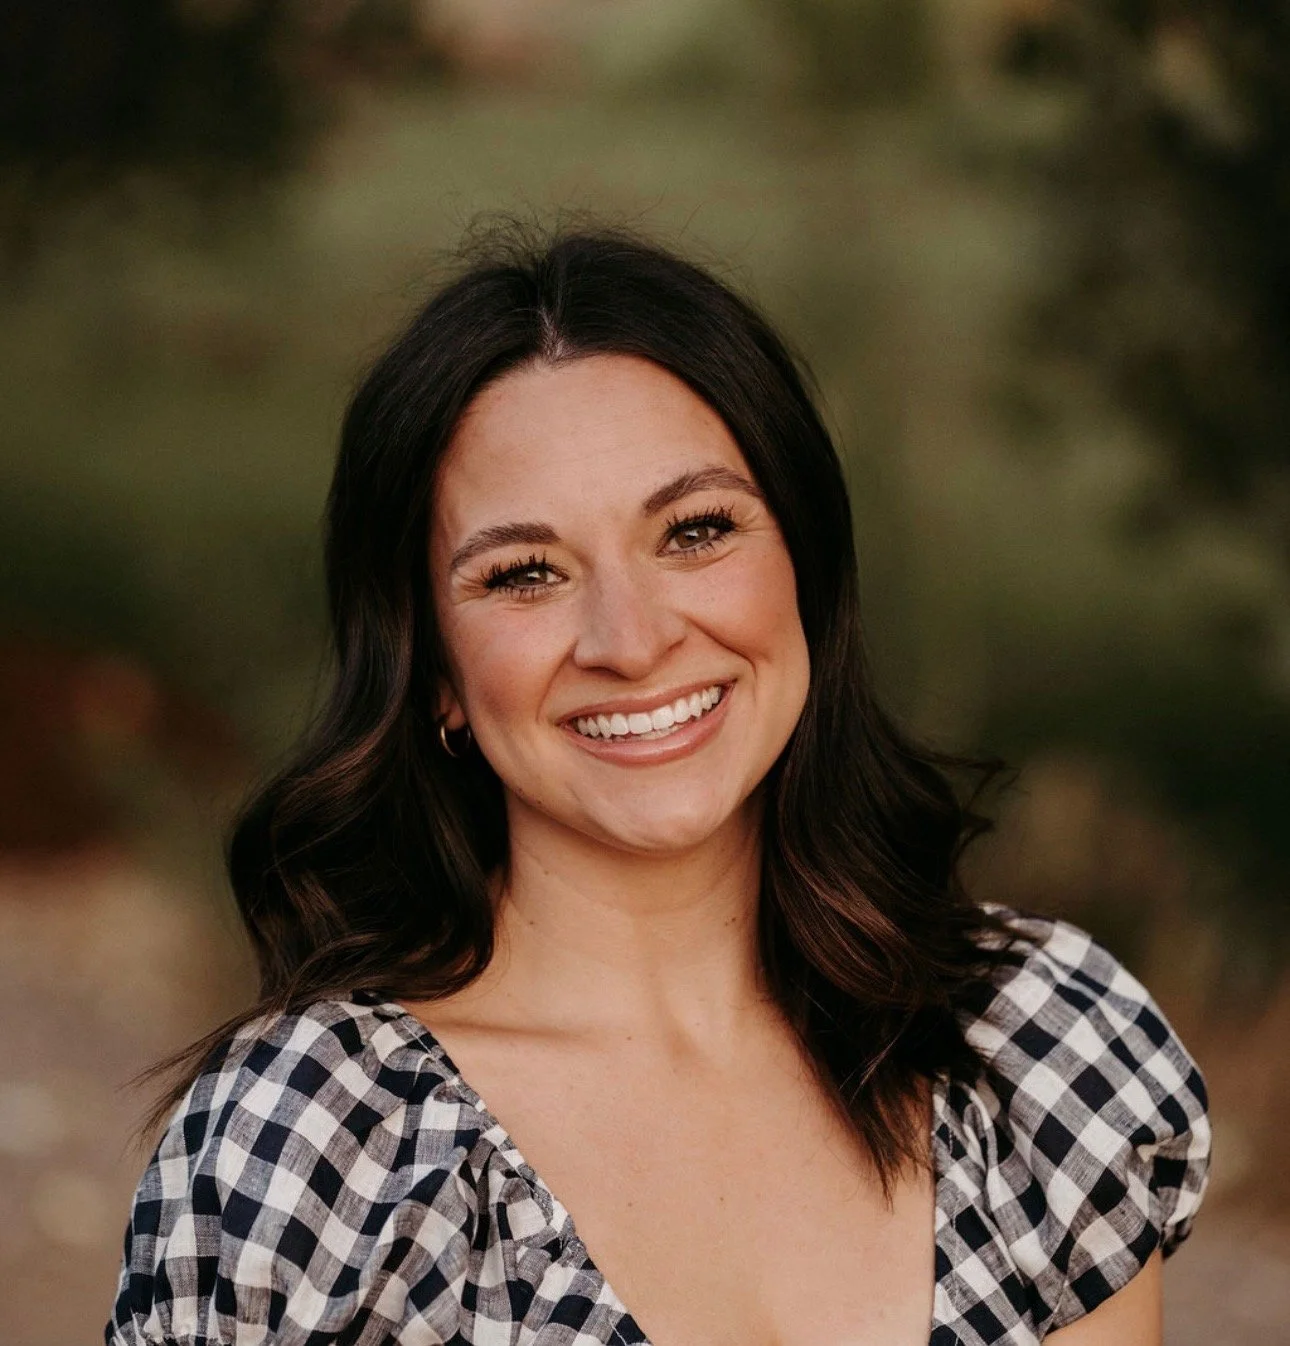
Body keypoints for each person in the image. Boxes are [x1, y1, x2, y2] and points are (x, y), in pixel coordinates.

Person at [106, 226, 1209, 1346]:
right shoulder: (316, 1152)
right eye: (525, 572)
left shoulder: (1037, 1047)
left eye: (695, 529)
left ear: (807, 571)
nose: (629, 641)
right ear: (433, 669)